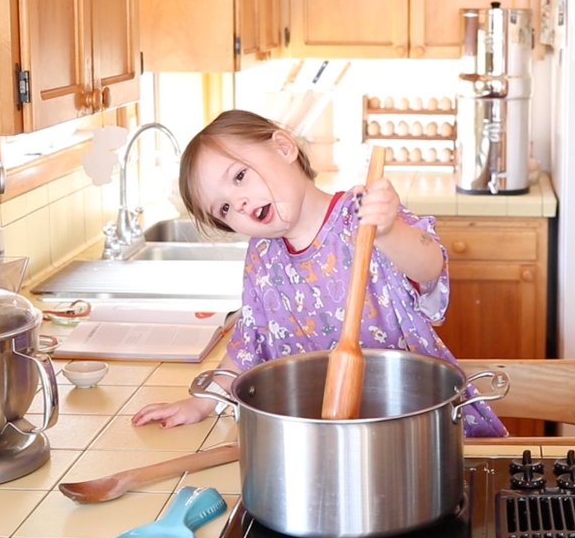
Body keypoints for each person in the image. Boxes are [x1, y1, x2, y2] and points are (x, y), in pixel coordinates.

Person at [131, 109, 506, 437]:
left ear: (283, 147)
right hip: (317, 432)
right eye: (224, 208)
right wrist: (205, 401)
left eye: (240, 176)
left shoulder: (360, 215)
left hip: (413, 423)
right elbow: (249, 344)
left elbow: (429, 268)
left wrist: (389, 229)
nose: (240, 203)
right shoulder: (263, 255)